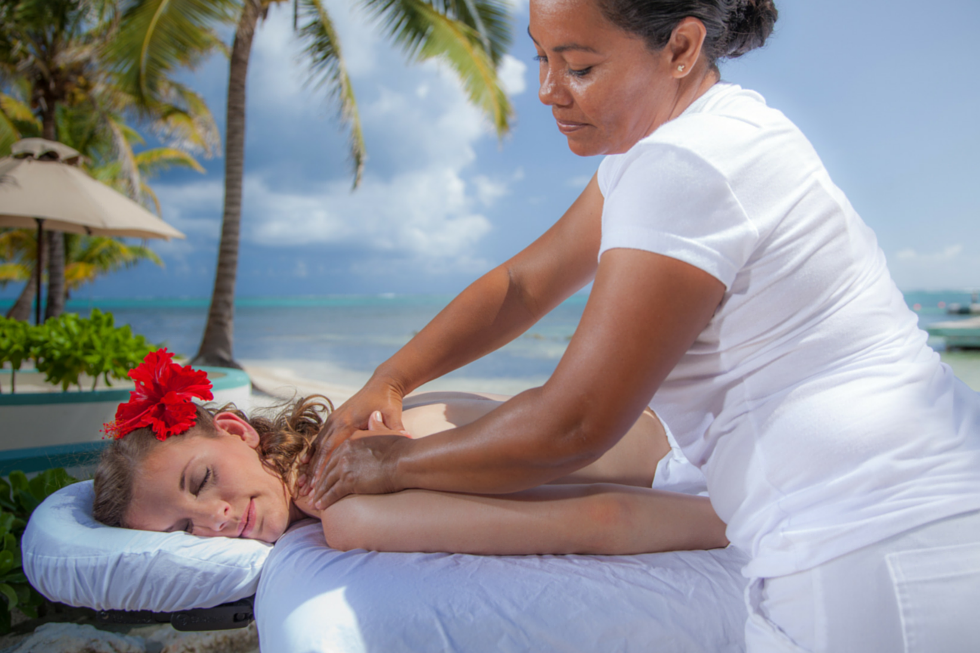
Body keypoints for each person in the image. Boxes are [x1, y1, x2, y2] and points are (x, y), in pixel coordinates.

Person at [301, 0, 980, 650]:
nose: (547, 90)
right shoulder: (687, 136)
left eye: (579, 66)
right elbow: (524, 283)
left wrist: (393, 464)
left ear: (680, 48)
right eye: (540, 58)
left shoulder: (684, 164)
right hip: (923, 515)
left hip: (875, 550)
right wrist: (392, 378)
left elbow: (573, 424)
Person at [92, 349, 727, 555]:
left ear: (235, 430)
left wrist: (747, 523)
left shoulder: (353, 504)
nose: (215, 522)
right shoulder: (357, 422)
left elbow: (598, 519)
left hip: (707, 463)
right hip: (694, 409)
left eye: (201, 482)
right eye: (183, 531)